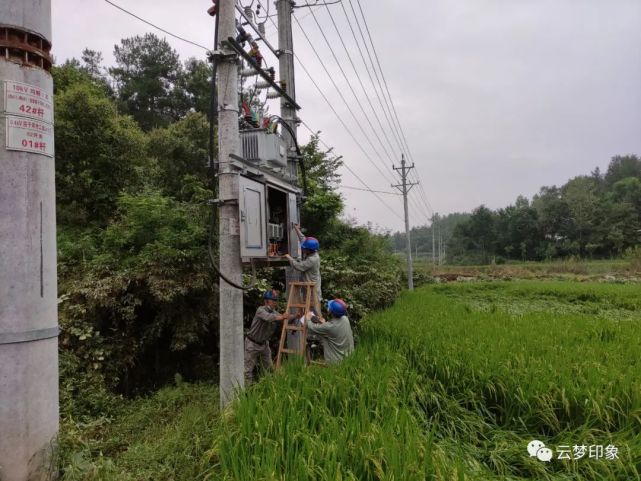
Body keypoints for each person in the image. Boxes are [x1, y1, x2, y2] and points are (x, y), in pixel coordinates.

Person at [244, 290, 289, 383]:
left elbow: (282, 317)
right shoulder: (261, 310)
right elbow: (269, 317)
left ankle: (269, 387)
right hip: (252, 343)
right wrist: (283, 317)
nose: (275, 303)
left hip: (264, 344)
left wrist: (295, 316)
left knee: (269, 368)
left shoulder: (274, 312)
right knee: (247, 370)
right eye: (273, 301)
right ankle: (246, 393)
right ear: (266, 301)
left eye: (276, 301)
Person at [305, 299, 354, 364]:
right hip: (349, 358)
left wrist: (308, 318)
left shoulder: (329, 327)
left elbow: (311, 327)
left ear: (331, 311)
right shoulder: (345, 319)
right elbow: (332, 326)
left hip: (336, 362)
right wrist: (324, 324)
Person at [284, 224, 322, 306]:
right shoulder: (310, 249)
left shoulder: (312, 259)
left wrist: (289, 258)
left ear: (309, 250)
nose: (303, 249)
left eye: (304, 248)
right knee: (306, 305)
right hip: (307, 286)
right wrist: (297, 229)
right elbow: (303, 239)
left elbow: (299, 267)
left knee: (312, 308)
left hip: (312, 288)